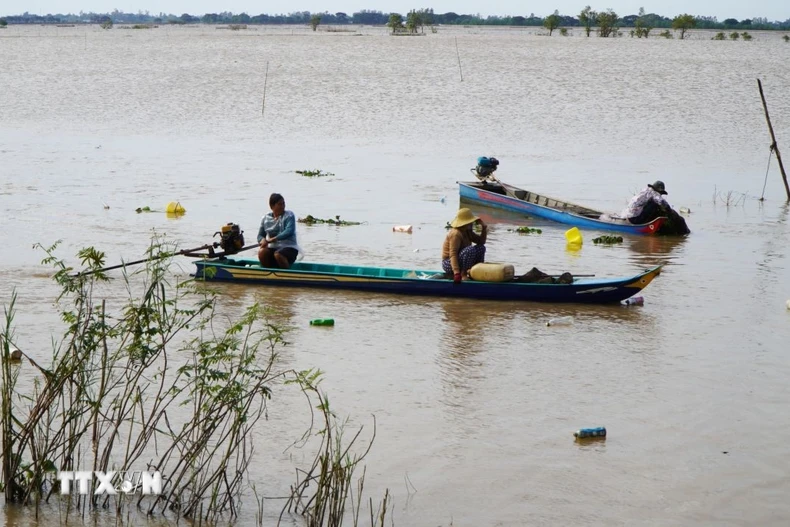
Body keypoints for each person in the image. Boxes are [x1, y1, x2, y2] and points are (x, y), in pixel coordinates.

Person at [442, 208, 487, 284]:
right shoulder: (456, 234)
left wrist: (484, 228)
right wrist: (456, 273)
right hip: (448, 263)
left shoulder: (467, 231)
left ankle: (476, 272)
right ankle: (463, 274)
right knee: (470, 250)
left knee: (481, 248)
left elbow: (481, 242)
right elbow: (453, 254)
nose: (472, 223)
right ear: (465, 223)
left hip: (462, 259)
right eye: (470, 222)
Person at [258, 193, 299, 269]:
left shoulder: (289, 215)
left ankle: (286, 275)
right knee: (262, 251)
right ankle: (268, 273)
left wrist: (273, 239)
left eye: (284, 204)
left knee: (278, 254)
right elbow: (260, 235)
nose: (283, 206)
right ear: (272, 206)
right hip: (273, 248)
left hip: (290, 248)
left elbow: (289, 231)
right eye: (280, 204)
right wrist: (262, 240)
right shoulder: (266, 218)